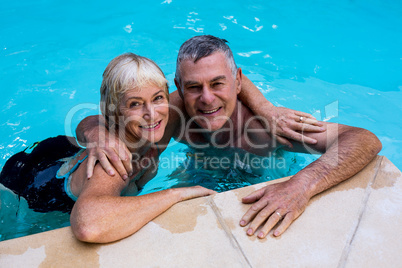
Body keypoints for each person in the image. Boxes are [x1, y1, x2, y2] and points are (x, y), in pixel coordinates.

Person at [77, 35, 382, 239]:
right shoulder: (167, 113)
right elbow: (100, 119)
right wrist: (97, 133)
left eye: (218, 84)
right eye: (194, 87)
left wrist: (301, 186)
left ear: (237, 81)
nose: (207, 99)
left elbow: (363, 139)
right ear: (179, 88)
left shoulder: (267, 128)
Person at [0, 53, 216, 243]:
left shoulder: (155, 125)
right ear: (113, 113)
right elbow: (88, 225)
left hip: (57, 154)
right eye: (135, 104)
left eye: (158, 98)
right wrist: (175, 194)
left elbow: (229, 79)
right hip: (27, 184)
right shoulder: (115, 160)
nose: (152, 113)